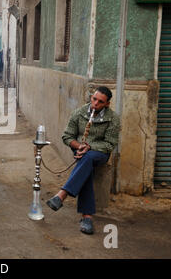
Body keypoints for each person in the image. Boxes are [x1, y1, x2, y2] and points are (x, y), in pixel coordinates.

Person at [46, 86, 120, 234]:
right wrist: (79, 146)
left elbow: (110, 144)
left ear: (107, 104)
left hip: (100, 153)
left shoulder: (113, 119)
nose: (95, 104)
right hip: (80, 150)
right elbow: (67, 136)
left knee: (88, 158)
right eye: (94, 99)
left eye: (100, 102)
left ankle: (62, 194)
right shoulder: (79, 113)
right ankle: (87, 217)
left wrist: (90, 146)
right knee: (86, 163)